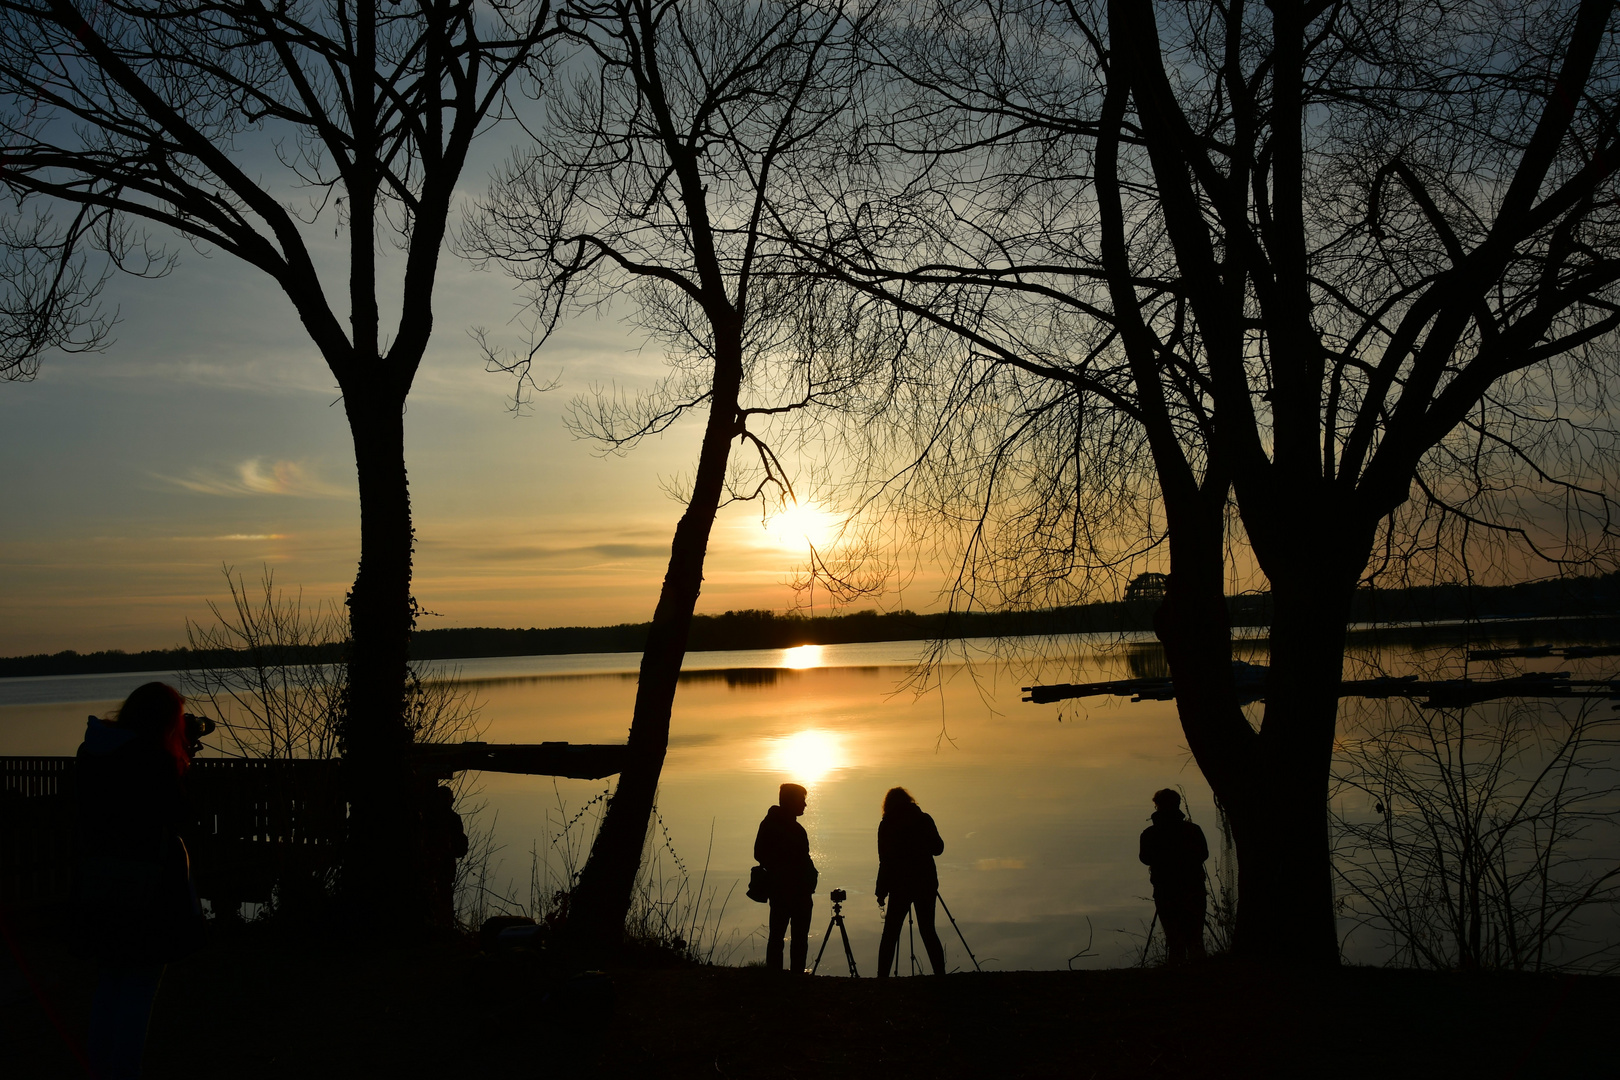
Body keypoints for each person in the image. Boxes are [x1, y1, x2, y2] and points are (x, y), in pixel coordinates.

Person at [74, 681, 205, 1079]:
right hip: (145, 886)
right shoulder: (152, 759)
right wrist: (182, 762)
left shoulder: (95, 752)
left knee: (111, 979)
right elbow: (180, 814)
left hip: (100, 880)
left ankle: (100, 1067)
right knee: (140, 984)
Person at [875, 786, 946, 976]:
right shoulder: (924, 819)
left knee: (891, 933)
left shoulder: (887, 824)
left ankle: (882, 977)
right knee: (928, 930)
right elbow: (938, 848)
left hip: (900, 885)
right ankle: (940, 974)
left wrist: (881, 890)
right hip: (925, 882)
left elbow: (885, 860)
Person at [1138, 788, 1209, 964]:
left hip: (1165, 890)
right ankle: (1200, 975)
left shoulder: (1150, 834)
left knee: (1174, 938)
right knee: (1195, 937)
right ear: (1177, 805)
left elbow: (1145, 858)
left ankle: (1176, 974)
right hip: (1193, 888)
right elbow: (1204, 854)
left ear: (1157, 806)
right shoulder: (1193, 830)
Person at [753, 782, 817, 973]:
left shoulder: (796, 828)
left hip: (800, 891)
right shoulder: (774, 825)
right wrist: (783, 870)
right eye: (802, 800)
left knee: (796, 937)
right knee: (781, 937)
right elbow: (760, 853)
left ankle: (790, 975)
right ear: (791, 801)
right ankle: (778, 977)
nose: (805, 805)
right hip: (784, 890)